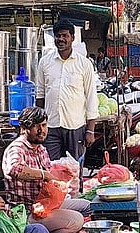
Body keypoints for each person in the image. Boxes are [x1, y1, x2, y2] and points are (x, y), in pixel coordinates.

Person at [2, 106, 88, 233]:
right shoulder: (17, 148)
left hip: (45, 204)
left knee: (87, 206)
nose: (41, 130)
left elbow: (49, 174)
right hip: (28, 211)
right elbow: (14, 169)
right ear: (24, 128)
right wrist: (44, 174)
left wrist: (62, 172)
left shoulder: (41, 149)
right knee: (76, 220)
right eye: (36, 126)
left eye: (44, 125)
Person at [35, 20, 99, 161]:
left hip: (76, 126)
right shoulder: (45, 62)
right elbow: (40, 94)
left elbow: (91, 97)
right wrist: (40, 124)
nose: (61, 39)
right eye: (58, 36)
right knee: (50, 169)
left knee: (74, 171)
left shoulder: (84, 64)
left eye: (65, 36)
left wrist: (90, 129)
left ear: (72, 38)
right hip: (51, 126)